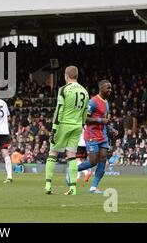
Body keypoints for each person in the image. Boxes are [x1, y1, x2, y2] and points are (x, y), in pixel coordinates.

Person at [45, 66, 88, 196]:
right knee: (72, 156)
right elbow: (85, 112)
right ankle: (73, 188)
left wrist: (54, 128)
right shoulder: (85, 91)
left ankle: (48, 185)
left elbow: (59, 110)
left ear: (66, 75)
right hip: (77, 126)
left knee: (53, 153)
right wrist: (82, 125)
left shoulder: (64, 89)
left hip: (64, 124)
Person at [76, 80, 116, 193]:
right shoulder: (93, 101)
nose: (110, 90)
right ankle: (73, 170)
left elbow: (105, 120)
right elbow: (84, 118)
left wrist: (111, 129)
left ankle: (93, 187)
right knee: (93, 161)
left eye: (110, 88)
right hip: (92, 135)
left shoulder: (106, 102)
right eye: (108, 88)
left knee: (103, 158)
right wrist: (100, 120)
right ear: (101, 87)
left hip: (103, 136)